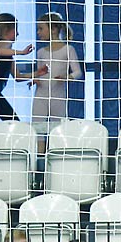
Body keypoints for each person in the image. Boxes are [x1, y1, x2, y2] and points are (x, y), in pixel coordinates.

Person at [19, 11, 82, 145]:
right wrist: (35, 80)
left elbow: (78, 72)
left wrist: (67, 77)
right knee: (38, 130)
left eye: (41, 29)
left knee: (58, 131)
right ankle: (39, 160)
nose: (38, 32)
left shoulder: (68, 49)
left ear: (53, 29)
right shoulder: (41, 52)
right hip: (40, 95)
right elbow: (40, 73)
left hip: (58, 96)